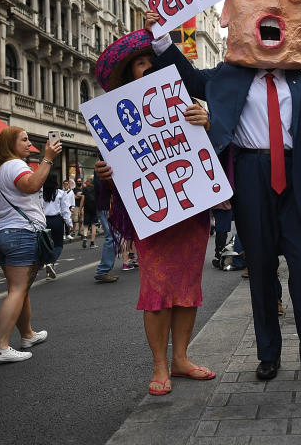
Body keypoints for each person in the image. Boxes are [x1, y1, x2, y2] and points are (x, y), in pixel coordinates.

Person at [150, 0, 301, 381]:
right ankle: (268, 355)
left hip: (294, 178)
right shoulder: (227, 76)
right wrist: (163, 40)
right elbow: (190, 79)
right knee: (260, 269)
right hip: (252, 176)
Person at [94, 29, 217, 396]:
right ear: (130, 75)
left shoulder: (191, 105)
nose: (147, 68)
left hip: (191, 211)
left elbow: (214, 153)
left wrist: (206, 124)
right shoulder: (117, 118)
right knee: (157, 290)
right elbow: (120, 173)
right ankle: (160, 365)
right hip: (152, 215)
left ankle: (180, 358)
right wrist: (106, 176)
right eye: (140, 64)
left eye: (152, 62)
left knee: (187, 289)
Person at [0, 126, 62, 363]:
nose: (30, 144)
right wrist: (47, 159)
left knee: (20, 289)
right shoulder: (16, 165)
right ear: (10, 144)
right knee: (18, 290)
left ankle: (27, 334)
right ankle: (0, 346)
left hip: (4, 235)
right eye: (24, 140)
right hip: (21, 234)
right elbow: (31, 185)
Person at [41, 172, 72, 280]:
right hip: (57, 221)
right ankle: (51, 263)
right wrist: (69, 223)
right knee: (58, 245)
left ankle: (48, 271)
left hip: (43, 221)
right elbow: (65, 210)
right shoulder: (61, 193)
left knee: (46, 245)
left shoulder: (40, 193)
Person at [92, 172, 118, 283]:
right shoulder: (103, 166)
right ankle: (102, 271)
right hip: (106, 205)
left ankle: (103, 270)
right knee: (112, 236)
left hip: (108, 205)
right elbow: (102, 186)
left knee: (113, 236)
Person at [80, 178, 98, 248]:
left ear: (89, 182)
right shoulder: (96, 189)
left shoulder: (85, 189)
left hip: (87, 208)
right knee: (93, 225)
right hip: (94, 209)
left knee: (86, 225)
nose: (85, 182)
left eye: (86, 181)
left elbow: (83, 199)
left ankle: (85, 236)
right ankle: (92, 243)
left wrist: (80, 209)